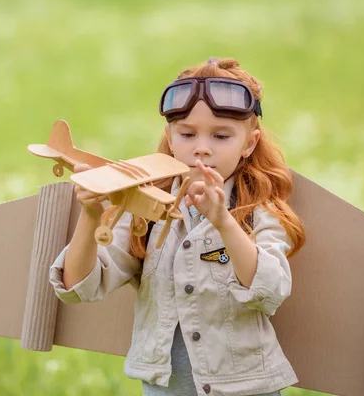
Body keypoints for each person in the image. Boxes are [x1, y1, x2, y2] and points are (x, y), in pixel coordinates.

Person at [49, 57, 306, 396]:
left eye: (221, 136)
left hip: (246, 388)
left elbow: (270, 289)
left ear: (249, 143)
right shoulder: (148, 207)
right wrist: (91, 216)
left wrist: (223, 222)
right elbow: (78, 286)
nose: (201, 147)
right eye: (187, 134)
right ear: (170, 138)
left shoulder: (259, 210)